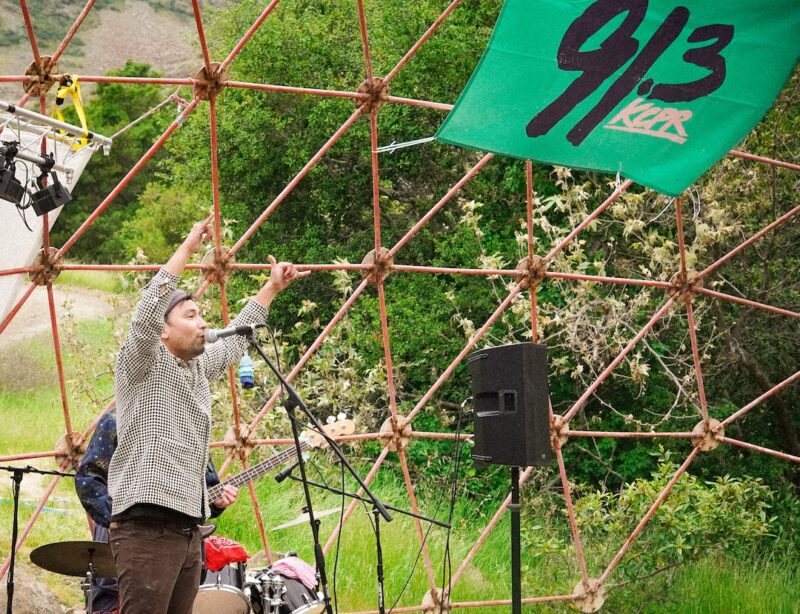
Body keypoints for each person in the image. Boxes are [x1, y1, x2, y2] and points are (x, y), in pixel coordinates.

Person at [105, 218, 307, 614]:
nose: (203, 323)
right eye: (190, 315)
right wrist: (187, 248)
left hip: (188, 530)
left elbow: (236, 340)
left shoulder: (196, 368)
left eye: (201, 315)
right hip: (147, 527)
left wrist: (271, 288)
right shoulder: (142, 363)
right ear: (163, 331)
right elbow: (145, 315)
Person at [75, 407, 233, 614]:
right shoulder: (120, 417)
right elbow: (88, 479)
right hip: (143, 538)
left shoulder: (190, 419)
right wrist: (120, 518)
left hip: (190, 539)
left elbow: (207, 484)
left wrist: (216, 503)